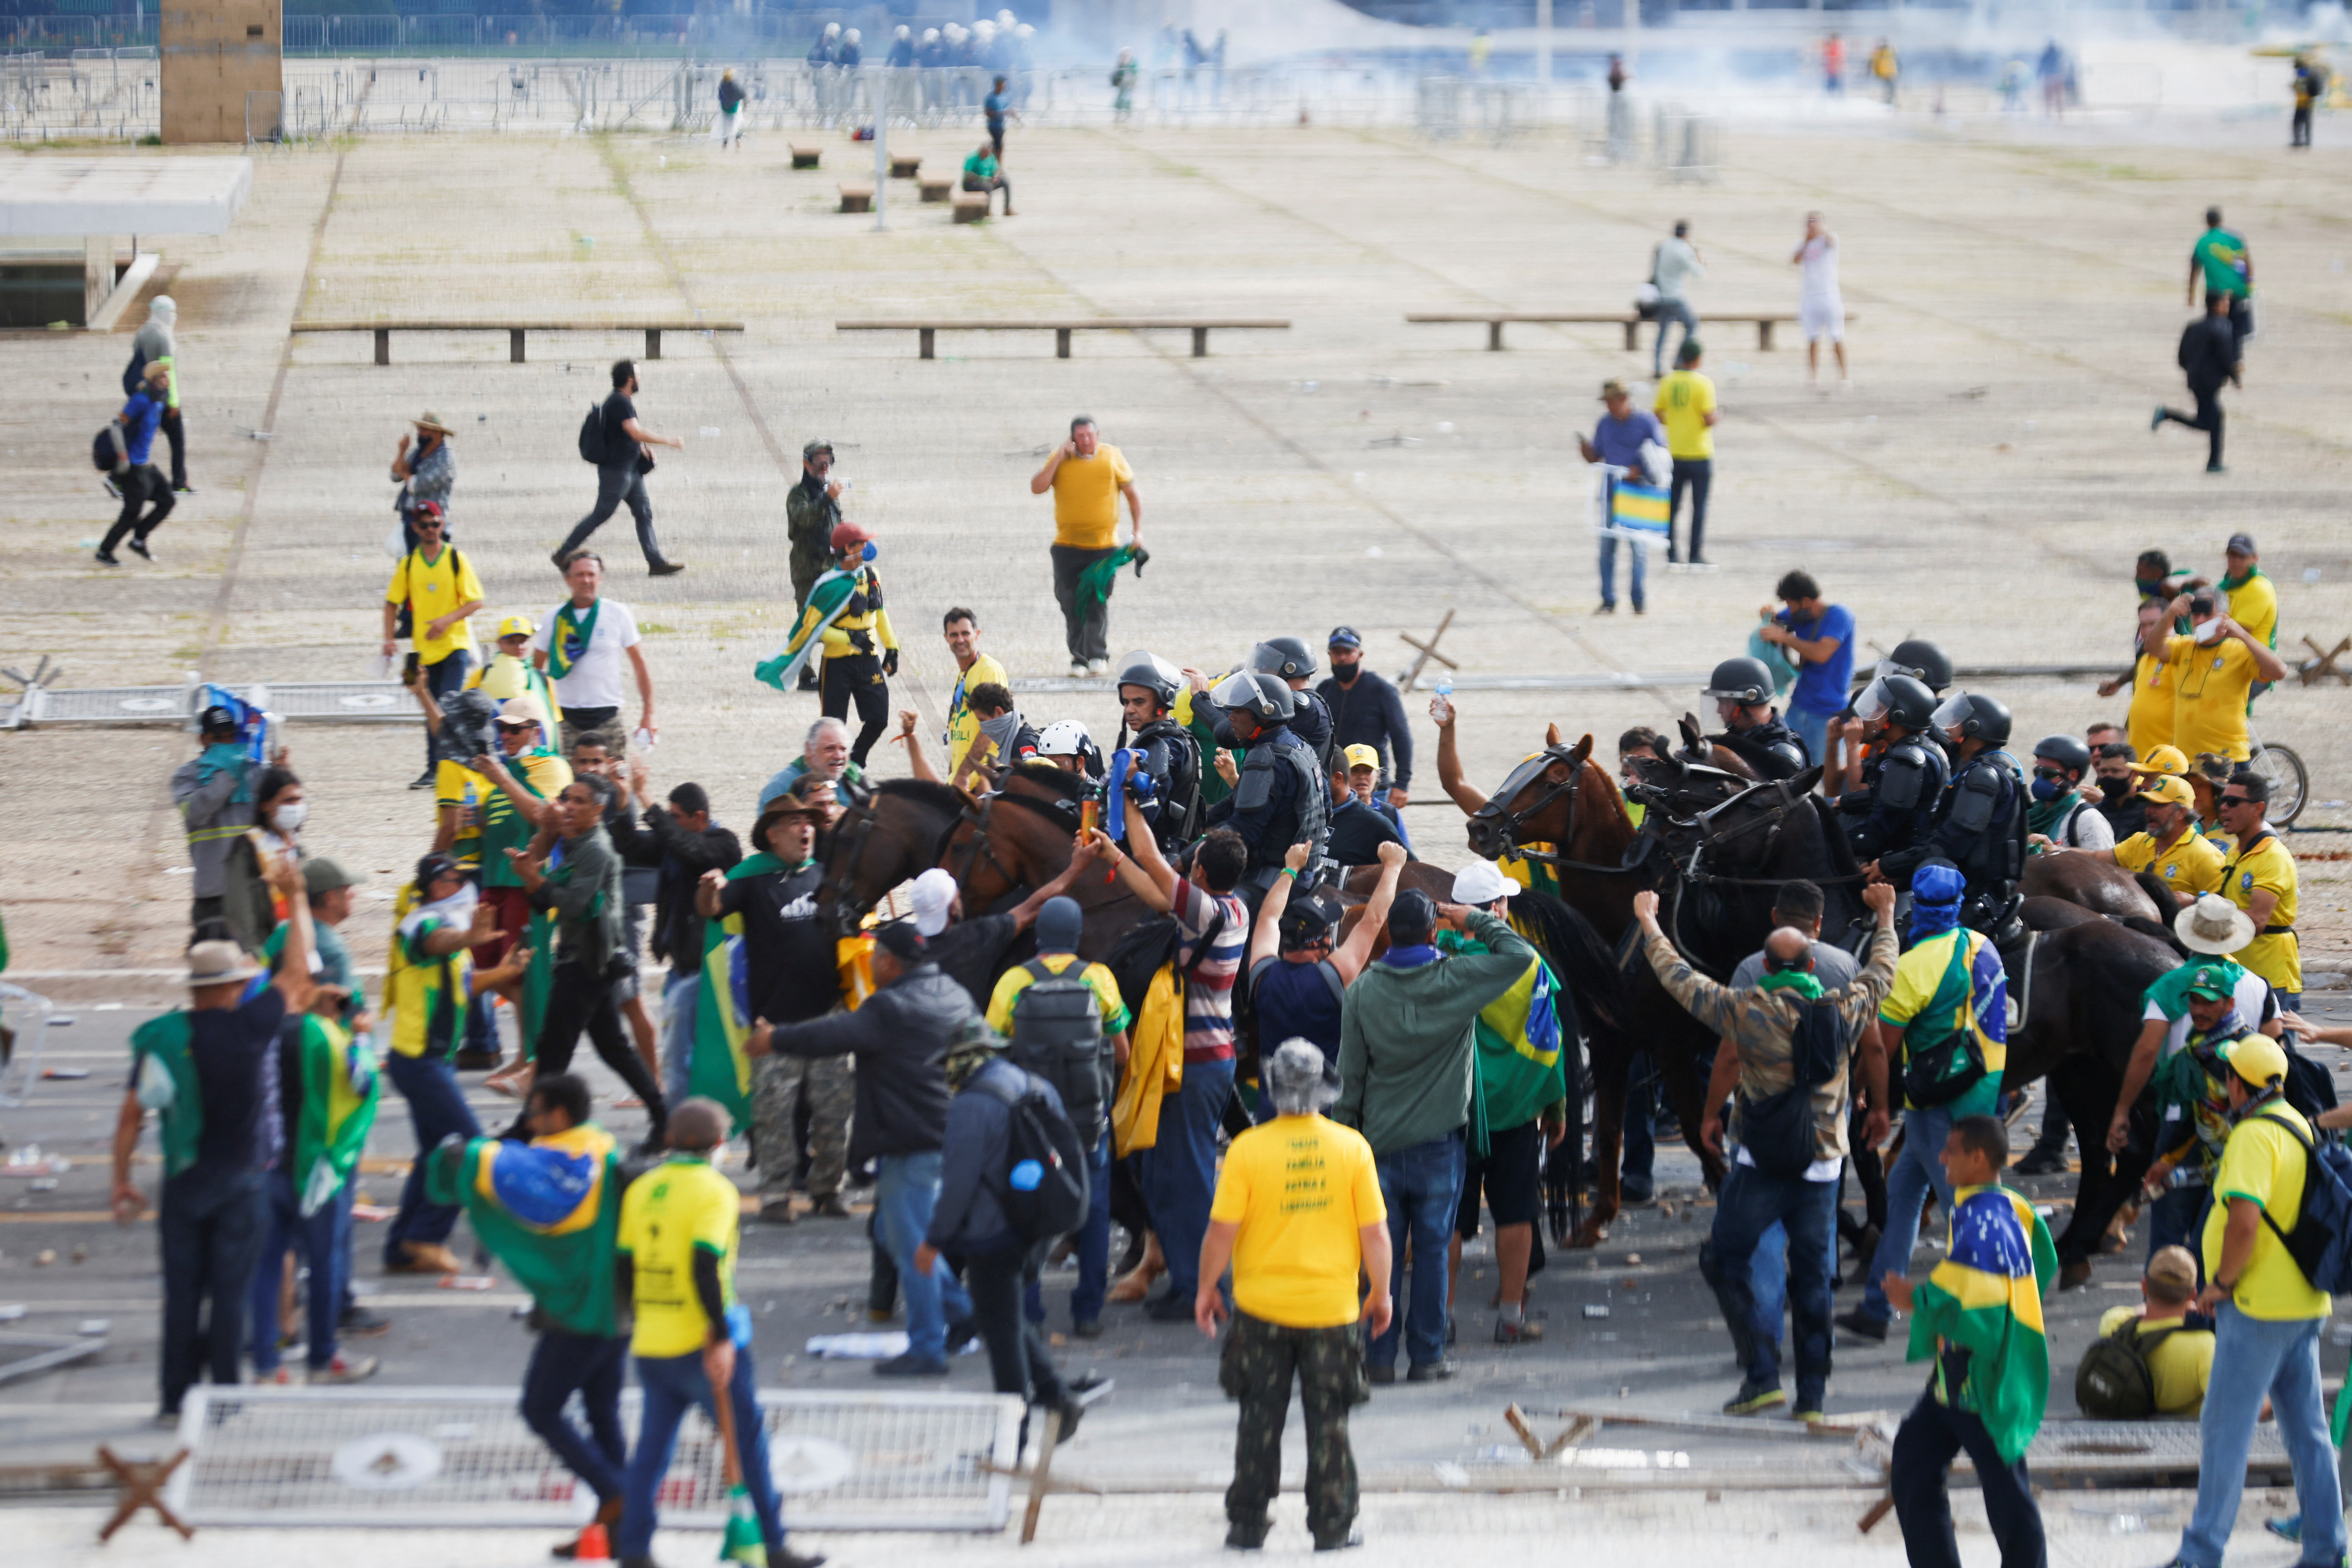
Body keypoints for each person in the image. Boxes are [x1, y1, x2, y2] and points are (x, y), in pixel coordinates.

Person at [1641, 879, 1900, 1418]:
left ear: (1763, 964)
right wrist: (1886, 916)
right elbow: (1882, 972)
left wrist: (1649, 922)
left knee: (1723, 1259)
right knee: (1814, 1280)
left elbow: (1679, 979)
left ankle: (1760, 1373)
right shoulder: (1843, 1008)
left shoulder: (1743, 1010)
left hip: (1760, 1165)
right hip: (1822, 1167)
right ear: (1811, 965)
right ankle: (1812, 1396)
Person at [113, 854, 314, 1420]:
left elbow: (131, 1116)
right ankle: (222, 1399)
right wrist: (295, 898)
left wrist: (121, 1180)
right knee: (229, 1293)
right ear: (232, 984)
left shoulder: (165, 1036)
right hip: (243, 1181)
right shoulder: (253, 1026)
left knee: (183, 1294)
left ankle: (174, 1396)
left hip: (185, 1181)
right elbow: (297, 977)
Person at [748, 922, 978, 1376]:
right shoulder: (952, 991)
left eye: (875, 958)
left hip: (912, 1142)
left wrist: (774, 1039)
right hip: (953, 1134)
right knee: (894, 1235)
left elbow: (832, 1035)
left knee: (913, 1245)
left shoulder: (889, 1007)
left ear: (890, 962)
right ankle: (962, 1314)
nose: (869, 965)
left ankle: (928, 1347)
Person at [1334, 888, 1540, 1384]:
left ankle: (1377, 1356)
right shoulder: (1457, 979)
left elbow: (1350, 1080)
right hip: (1440, 1146)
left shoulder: (1362, 990)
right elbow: (1522, 956)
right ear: (1433, 932)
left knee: (1379, 1254)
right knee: (1430, 1254)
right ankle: (1427, 1357)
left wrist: (1344, 1141)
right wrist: (1475, 918)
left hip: (1377, 1147)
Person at [1198, 1039, 1393, 1552]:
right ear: (1322, 1093)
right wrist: (1381, 1292)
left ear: (1274, 1090)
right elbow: (1375, 1234)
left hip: (1260, 1310)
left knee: (1258, 1418)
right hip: (1332, 1312)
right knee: (1330, 1421)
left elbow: (1220, 1231)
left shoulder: (1246, 1150)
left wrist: (1205, 1289)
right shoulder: (1352, 1149)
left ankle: (1246, 1524)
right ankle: (1332, 1526)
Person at [422, 1072, 627, 1558]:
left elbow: (488, 1165)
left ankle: (616, 1494)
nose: (528, 1126)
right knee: (603, 1413)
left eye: (531, 1114)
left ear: (557, 1115)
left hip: (579, 1310)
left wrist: (464, 1152)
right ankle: (618, 1527)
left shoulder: (558, 1164)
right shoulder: (604, 1149)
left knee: (540, 1409)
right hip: (618, 1306)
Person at [615, 1099, 822, 1568]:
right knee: (747, 1441)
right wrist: (722, 1335)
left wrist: (639, 1317)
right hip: (702, 1341)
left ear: (669, 1140)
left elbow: (624, 1262)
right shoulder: (714, 1191)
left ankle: (633, 1547)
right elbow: (704, 1262)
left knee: (653, 1448)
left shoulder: (642, 1187)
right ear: (720, 1145)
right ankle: (771, 1544)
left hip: (652, 1340)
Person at [2163, 1034, 2342, 1568]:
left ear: (2242, 1085)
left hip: (2258, 1307)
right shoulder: (2297, 1124)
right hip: (2303, 1304)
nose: (2224, 1084)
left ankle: (2200, 1554)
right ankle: (2326, 1548)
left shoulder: (2252, 1136)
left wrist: (2220, 1283)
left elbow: (2243, 1221)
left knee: (2225, 1432)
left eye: (2229, 1077)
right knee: (2308, 1435)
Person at [1839, 864, 2011, 1345]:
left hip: (1940, 1107)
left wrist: (1870, 1100)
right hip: (1979, 1092)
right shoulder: (1982, 945)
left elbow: (1881, 1049)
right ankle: (1877, 1306)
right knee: (1903, 1199)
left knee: (1965, 1213)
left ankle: (1987, 1314)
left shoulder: (1912, 967)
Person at [1094, 806, 1251, 1323]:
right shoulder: (1232, 909)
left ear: (1201, 874)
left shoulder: (1205, 912)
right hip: (1200, 1060)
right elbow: (1156, 888)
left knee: (1188, 1182)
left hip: (1196, 1065)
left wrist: (1131, 802)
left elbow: (1151, 858)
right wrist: (1113, 854)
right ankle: (1186, 1275)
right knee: (1159, 1171)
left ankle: (1205, 1291)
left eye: (1193, 866)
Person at [1883, 1117, 2057, 1568]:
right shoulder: (2010, 1207)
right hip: (1957, 1379)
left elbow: (1967, 1302)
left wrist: (1913, 1298)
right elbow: (2044, 1260)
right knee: (1915, 1467)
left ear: (1977, 1158)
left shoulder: (1982, 1225)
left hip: (1981, 1382)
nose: (1941, 1158)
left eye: (1951, 1151)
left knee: (2009, 1499)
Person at [924, 1019, 1085, 1443]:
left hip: (991, 1234)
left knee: (1001, 1339)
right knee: (1006, 1318)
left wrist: (933, 1241)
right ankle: (1056, 1395)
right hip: (1036, 1224)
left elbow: (957, 1183)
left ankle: (1012, 1435)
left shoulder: (970, 1105)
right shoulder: (1036, 1086)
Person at [694, 794, 849, 1224]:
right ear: (772, 834)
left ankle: (827, 1188)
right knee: (775, 1114)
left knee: (834, 1111)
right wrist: (707, 892)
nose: (806, 830)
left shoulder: (826, 876)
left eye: (809, 823)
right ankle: (776, 1193)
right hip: (773, 1023)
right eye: (795, 823)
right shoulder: (753, 882)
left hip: (829, 1017)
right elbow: (712, 910)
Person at [984, 897, 1130, 1336]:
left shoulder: (1014, 981)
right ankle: (1087, 1311)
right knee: (1094, 1210)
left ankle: (1029, 1311)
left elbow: (992, 1050)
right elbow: (1122, 1052)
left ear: (1040, 936)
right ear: (1076, 934)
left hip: (1031, 1122)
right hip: (1088, 1118)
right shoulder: (1098, 978)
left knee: (1027, 1208)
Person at [1442, 860, 1569, 1347]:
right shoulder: (1527, 966)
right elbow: (1549, 1044)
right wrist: (1555, 1107)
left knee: (1450, 1218)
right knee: (1516, 1214)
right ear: (1496, 910)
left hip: (1453, 1113)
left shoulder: (1442, 962)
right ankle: (1511, 1318)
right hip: (1515, 1116)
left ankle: (1444, 1316)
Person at [380, 852, 525, 1274]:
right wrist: (467, 940)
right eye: (450, 879)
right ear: (430, 887)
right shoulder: (419, 923)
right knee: (466, 1145)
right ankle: (424, 1238)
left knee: (433, 1154)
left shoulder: (453, 930)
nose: (461, 884)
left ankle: (403, 1248)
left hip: (436, 1061)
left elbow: (464, 984)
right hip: (417, 1058)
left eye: (462, 877)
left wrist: (504, 970)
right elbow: (433, 943)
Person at [504, 777, 668, 1150]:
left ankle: (526, 1128)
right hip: (588, 961)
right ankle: (663, 1116)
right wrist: (532, 877)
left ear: (598, 811)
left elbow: (575, 905)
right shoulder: (575, 844)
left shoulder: (595, 849)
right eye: (567, 798)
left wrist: (534, 879)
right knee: (613, 1049)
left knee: (552, 1051)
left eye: (580, 801)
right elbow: (549, 902)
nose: (570, 806)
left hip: (587, 964)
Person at [1249, 839, 1404, 1079]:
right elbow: (1373, 920)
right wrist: (1393, 867)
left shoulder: (1262, 975)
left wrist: (1290, 869)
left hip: (1275, 1107)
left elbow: (1268, 918)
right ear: (1317, 942)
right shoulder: (1333, 976)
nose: (1331, 941)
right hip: (1325, 1107)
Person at [1889, 694, 2024, 933]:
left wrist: (1891, 866)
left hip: (1975, 897)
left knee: (1908, 942)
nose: (1949, 730)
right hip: (1972, 889)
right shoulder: (1982, 769)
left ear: (1975, 728)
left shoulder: (1983, 776)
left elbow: (1952, 842)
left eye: (1958, 723)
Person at [1203, 670, 1329, 904]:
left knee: (1208, 912)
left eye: (1240, 711)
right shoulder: (1303, 748)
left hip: (1274, 875)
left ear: (1265, 716)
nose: (1231, 717)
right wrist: (1201, 825)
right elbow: (1327, 808)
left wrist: (1189, 855)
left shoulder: (1266, 758)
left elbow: (1243, 832)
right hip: (1309, 868)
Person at [909, 857, 1096, 1013]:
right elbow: (1032, 908)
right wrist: (1076, 867)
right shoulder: (975, 937)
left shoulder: (904, 945)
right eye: (957, 898)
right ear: (952, 909)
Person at [383, 506, 485, 789]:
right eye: (424, 524)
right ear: (415, 528)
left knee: (448, 705)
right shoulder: (409, 564)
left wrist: (446, 621)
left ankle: (451, 765)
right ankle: (433, 769)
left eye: (435, 523)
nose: (430, 528)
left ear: (442, 526)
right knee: (428, 708)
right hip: (422, 651)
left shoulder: (455, 558)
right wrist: (389, 639)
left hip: (455, 646)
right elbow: (392, 602)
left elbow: (476, 601)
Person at [1031, 417, 1141, 675]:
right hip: (1067, 545)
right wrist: (1059, 457)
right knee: (1070, 601)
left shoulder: (1112, 457)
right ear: (1072, 438)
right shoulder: (1059, 459)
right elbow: (1038, 487)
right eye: (1080, 436)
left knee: (1097, 599)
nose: (1086, 441)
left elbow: (1133, 495)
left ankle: (1097, 655)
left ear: (1098, 435)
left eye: (1090, 435)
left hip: (1104, 546)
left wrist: (1138, 531)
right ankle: (1079, 658)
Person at [555, 360, 686, 575]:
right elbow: (634, 431)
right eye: (638, 376)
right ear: (629, 379)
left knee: (644, 513)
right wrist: (669, 441)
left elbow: (624, 435)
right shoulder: (619, 402)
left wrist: (642, 450)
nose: (641, 380)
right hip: (617, 472)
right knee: (602, 513)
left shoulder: (622, 402)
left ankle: (656, 562)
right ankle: (564, 553)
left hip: (631, 471)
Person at [531, 552, 656, 759]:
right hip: (565, 717)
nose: (586, 580)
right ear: (567, 579)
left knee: (615, 783)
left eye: (591, 574)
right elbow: (536, 671)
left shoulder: (617, 613)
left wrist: (649, 715)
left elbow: (640, 665)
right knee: (568, 787)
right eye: (580, 575)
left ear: (600, 578)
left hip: (607, 716)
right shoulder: (554, 617)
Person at [2147, 587, 2287, 768]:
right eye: (2195, 615)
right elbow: (2151, 648)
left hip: (2226, 758)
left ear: (2224, 616)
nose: (2200, 620)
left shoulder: (2238, 650)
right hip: (2186, 759)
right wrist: (2169, 615)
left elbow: (2280, 671)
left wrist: (2241, 634)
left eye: (2207, 615)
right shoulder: (2183, 647)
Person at [172, 706, 270, 934]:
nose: (227, 743)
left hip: (252, 888)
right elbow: (195, 810)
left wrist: (283, 771)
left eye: (231, 736)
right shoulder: (187, 776)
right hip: (213, 892)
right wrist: (227, 774)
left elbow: (284, 814)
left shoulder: (254, 772)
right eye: (219, 738)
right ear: (203, 739)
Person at [2088, 1246, 2215, 1416]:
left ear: (2144, 1286)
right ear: (2193, 1295)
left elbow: (2132, 1312)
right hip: (2184, 1434)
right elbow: (2232, 1407)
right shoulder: (2205, 1346)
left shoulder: (2115, 1324)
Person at [1839, 673, 1948, 868]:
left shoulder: (1906, 762)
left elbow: (1880, 831)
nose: (1872, 716)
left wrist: (1834, 840)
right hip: (1900, 854)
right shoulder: (1911, 748)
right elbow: (1884, 797)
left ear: (1899, 715)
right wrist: (1844, 804)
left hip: (1897, 864)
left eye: (1879, 710)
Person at [1577, 379, 1666, 616]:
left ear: (1624, 399)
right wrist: (1586, 451)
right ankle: (1608, 600)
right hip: (1610, 493)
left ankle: (1638, 600)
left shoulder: (1646, 422)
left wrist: (1639, 470)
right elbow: (1597, 456)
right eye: (1607, 403)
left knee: (1639, 549)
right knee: (1607, 550)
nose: (1610, 407)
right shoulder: (1605, 424)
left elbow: (1661, 455)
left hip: (1637, 493)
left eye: (1613, 402)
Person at [812, 522, 897, 768]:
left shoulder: (872, 575)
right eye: (862, 543)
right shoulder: (829, 584)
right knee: (832, 728)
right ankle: (828, 773)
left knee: (879, 718)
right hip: (837, 663)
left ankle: (855, 762)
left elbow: (879, 612)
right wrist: (849, 638)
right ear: (849, 549)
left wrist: (892, 648)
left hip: (867, 658)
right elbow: (815, 628)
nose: (868, 547)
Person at [1755, 570, 1854, 772]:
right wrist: (1768, 617)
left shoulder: (1840, 616)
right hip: (1799, 706)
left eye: (1790, 604)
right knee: (1785, 768)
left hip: (1828, 713)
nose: (1788, 610)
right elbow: (1775, 621)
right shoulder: (1797, 615)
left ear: (1807, 601)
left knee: (1827, 776)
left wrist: (1786, 638)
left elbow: (1821, 654)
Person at [2216, 772, 2300, 1009]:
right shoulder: (2235, 852)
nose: (2224, 808)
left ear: (2258, 809)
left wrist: (2203, 913)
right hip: (2239, 974)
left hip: (2272, 978)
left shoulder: (2273, 857)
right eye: (2222, 801)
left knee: (2273, 1047)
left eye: (2233, 802)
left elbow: (2258, 920)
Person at [2069, 773, 2222, 901]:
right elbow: (2095, 856)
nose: (2149, 811)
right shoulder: (2140, 841)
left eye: (2159, 805)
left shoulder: (2206, 856)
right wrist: (2055, 850)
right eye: (2149, 804)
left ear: (2182, 812)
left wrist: (2195, 903)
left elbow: (2224, 908)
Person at [1113, 650, 1205, 855]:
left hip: (1153, 857)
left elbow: (1146, 812)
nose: (1129, 710)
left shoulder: (1161, 746)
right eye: (1126, 702)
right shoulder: (1177, 736)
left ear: (1163, 704)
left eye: (1139, 702)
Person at [1317, 627, 1412, 812]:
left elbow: (1401, 737)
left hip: (1372, 786)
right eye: (1337, 653)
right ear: (1330, 655)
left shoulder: (1381, 691)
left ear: (1360, 654)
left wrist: (1402, 783)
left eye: (1348, 652)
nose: (1342, 658)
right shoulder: (1324, 691)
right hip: (1333, 786)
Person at [98, 360, 177, 565]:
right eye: (162, 377)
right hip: (133, 467)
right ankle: (104, 552)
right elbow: (116, 427)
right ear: (153, 381)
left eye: (167, 376)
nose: (167, 380)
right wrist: (123, 457)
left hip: (147, 464)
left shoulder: (158, 402)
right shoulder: (140, 401)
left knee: (167, 500)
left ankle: (139, 540)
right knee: (132, 514)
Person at [2154, 291, 2242, 475]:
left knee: (2214, 419)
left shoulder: (2193, 327)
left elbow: (2181, 356)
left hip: (2195, 380)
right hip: (2209, 383)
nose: (2227, 306)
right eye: (2225, 303)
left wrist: (2192, 370)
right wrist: (2235, 378)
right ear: (2217, 306)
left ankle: (2214, 462)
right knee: (2209, 422)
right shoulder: (2222, 327)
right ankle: (2167, 414)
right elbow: (2226, 357)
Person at [784, 438, 844, 689]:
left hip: (831, 568)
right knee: (808, 621)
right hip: (807, 570)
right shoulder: (798, 495)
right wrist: (827, 499)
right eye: (819, 459)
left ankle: (832, 670)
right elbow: (806, 519)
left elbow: (836, 528)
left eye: (827, 459)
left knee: (834, 619)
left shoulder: (830, 494)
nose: (824, 465)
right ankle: (806, 674)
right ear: (806, 463)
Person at [1655, 340, 1718, 567]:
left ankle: (1671, 552)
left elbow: (1659, 414)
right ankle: (1695, 553)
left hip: (1675, 452)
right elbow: (1708, 418)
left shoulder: (1668, 382)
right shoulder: (1703, 384)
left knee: (1672, 506)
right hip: (1700, 452)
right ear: (1698, 359)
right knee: (1699, 507)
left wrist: (1676, 422)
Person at [1702, 656, 1809, 776]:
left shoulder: (1781, 755)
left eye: (1724, 701)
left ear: (1749, 699)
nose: (1719, 710)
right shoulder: (1742, 735)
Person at [126, 293, 188, 493]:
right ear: (164, 314)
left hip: (143, 395)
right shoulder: (164, 337)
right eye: (171, 313)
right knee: (177, 441)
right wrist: (173, 403)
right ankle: (179, 482)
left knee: (138, 439)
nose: (174, 317)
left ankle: (120, 479)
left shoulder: (143, 332)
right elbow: (168, 373)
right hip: (162, 398)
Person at [942, 607, 1010, 780]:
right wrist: (954, 770)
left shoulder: (989, 670)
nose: (960, 640)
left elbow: (992, 727)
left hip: (983, 779)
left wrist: (963, 774)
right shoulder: (964, 675)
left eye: (966, 633)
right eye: (954, 635)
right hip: (965, 778)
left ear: (977, 634)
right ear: (946, 638)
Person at [2024, 734, 2114, 853]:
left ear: (2073, 775)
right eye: (2038, 771)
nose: (2040, 779)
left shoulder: (2089, 820)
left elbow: (2106, 866)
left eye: (2049, 773)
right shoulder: (2029, 815)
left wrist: (2058, 852)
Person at [759, 716, 867, 810]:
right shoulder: (781, 785)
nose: (838, 756)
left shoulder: (855, 776)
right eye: (830, 749)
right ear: (809, 749)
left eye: (843, 749)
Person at [2187, 207, 2254, 360]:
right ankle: (2236, 359)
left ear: (2207, 222)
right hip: (2236, 290)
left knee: (2216, 326)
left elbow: (2194, 269)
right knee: (2236, 327)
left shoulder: (2202, 242)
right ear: (2221, 221)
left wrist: (2191, 294)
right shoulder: (2235, 238)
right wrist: (2249, 283)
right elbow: (2248, 263)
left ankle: (2217, 356)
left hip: (2215, 293)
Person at [1793, 212, 1850, 387]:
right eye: (1810, 222)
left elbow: (1831, 241)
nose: (1812, 226)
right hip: (1810, 296)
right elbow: (1795, 260)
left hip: (1829, 294)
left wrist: (1821, 230)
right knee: (1812, 337)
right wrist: (1806, 241)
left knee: (1836, 335)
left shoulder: (1829, 239)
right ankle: (1813, 376)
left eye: (1816, 222)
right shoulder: (1804, 243)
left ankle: (1844, 376)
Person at [1327, 747, 1407, 866]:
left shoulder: (1389, 813)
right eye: (1355, 771)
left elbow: (1407, 859)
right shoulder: (1330, 812)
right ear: (1342, 775)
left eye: (1368, 771)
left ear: (1378, 775)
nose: (1362, 776)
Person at [390, 412, 455, 552]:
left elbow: (418, 485)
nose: (420, 433)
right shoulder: (417, 453)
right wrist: (402, 451)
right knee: (410, 562)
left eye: (425, 430)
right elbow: (396, 475)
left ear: (438, 433)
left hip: (431, 524)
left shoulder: (445, 460)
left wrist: (406, 473)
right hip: (411, 519)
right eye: (420, 429)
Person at [1649, 219, 1703, 380]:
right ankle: (1680, 361)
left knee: (1663, 332)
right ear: (1686, 234)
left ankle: (1657, 366)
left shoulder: (1664, 245)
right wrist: (1699, 258)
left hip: (1660, 295)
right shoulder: (1683, 249)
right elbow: (1698, 272)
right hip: (1675, 296)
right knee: (1692, 324)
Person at [2219, 531, 2278, 653]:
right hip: (2231, 655)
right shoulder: (2224, 587)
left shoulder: (2259, 587)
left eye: (2243, 556)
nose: (2237, 561)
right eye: (2233, 555)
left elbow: (2238, 633)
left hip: (2255, 660)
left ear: (2255, 559)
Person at [2090, 740, 2149, 841]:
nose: (2108, 776)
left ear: (2135, 774)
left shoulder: (2150, 809)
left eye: (2115, 771)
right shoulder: (2094, 813)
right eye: (2103, 771)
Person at [962, 141, 1012, 217]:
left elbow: (997, 169)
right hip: (972, 184)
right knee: (988, 186)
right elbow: (968, 175)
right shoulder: (972, 157)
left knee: (1005, 182)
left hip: (988, 181)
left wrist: (996, 177)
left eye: (989, 153)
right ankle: (987, 210)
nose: (987, 155)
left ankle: (1007, 209)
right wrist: (982, 179)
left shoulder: (991, 156)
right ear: (981, 151)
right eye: (985, 153)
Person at [984, 73, 1018, 159]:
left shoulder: (1005, 97)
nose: (1004, 86)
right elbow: (987, 113)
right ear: (997, 85)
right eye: (1002, 84)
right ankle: (997, 167)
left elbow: (1009, 109)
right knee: (999, 146)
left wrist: (1016, 117)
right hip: (993, 126)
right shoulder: (991, 98)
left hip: (1001, 126)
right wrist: (1000, 113)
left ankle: (994, 164)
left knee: (997, 146)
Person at [716, 67, 744, 147]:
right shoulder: (734, 83)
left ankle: (725, 143)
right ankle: (738, 139)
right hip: (735, 107)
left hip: (725, 108)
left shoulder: (722, 84)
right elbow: (741, 93)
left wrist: (726, 102)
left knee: (726, 126)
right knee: (737, 124)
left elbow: (720, 96)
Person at [1111, 48, 1138, 121]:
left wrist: (1135, 83)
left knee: (1128, 99)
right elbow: (1117, 72)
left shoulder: (1133, 62)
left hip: (1129, 84)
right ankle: (1117, 116)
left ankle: (1128, 116)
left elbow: (1135, 73)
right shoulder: (1120, 62)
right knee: (1119, 100)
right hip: (1121, 84)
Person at [1869, 38, 1898, 104]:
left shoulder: (1880, 52)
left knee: (1889, 89)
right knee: (1890, 89)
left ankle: (1889, 101)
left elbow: (1874, 63)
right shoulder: (1886, 52)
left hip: (1887, 73)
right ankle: (1889, 101)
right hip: (1887, 73)